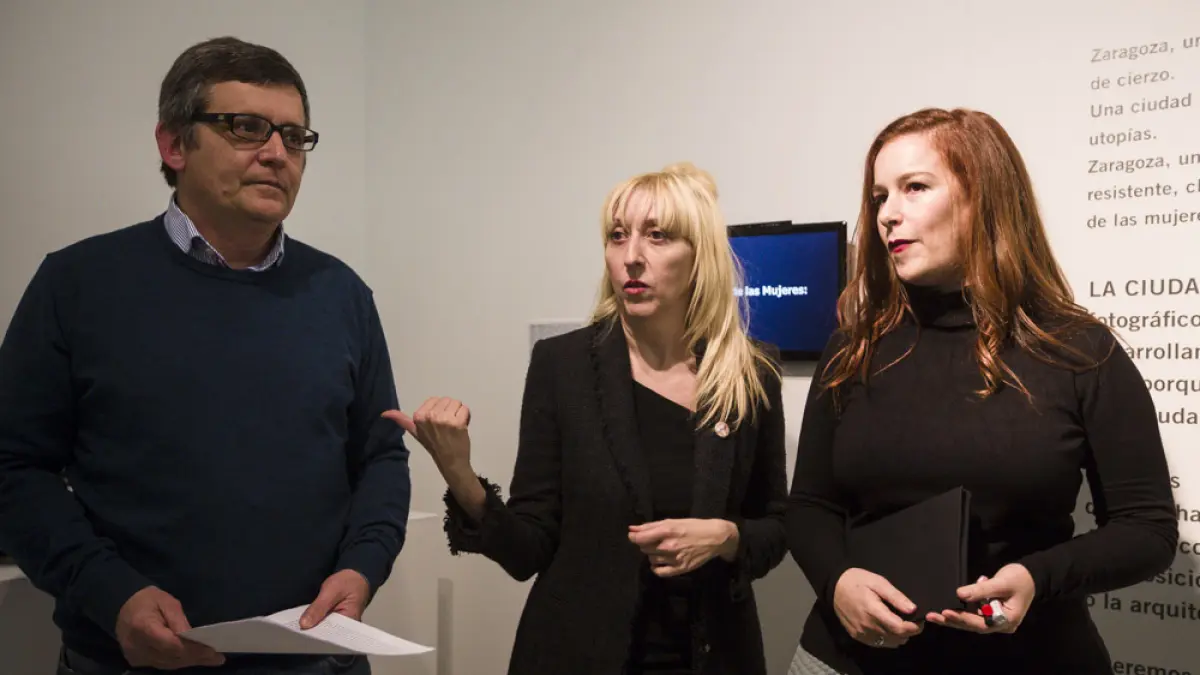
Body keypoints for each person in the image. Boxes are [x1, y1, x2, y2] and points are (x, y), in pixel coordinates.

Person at [0, 37, 411, 675]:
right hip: (129, 661)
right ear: (174, 145)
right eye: (245, 128)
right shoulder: (77, 284)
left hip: (315, 659)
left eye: (294, 136)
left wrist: (364, 566)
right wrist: (111, 592)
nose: (276, 153)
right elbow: (14, 467)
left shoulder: (342, 294)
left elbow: (381, 456)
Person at [785, 107, 1178, 674]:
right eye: (879, 196)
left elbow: (1147, 529)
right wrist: (837, 581)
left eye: (915, 187)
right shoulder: (854, 347)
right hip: (847, 660)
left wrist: (1036, 578)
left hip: (1029, 660)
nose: (888, 214)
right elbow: (810, 506)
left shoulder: (1079, 351)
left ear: (983, 198)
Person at [385, 163, 789, 674]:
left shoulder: (750, 374)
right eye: (617, 236)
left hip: (711, 656)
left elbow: (776, 526)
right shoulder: (563, 367)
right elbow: (528, 550)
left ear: (699, 255)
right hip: (578, 653)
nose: (631, 256)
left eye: (657, 236)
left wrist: (727, 538)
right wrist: (460, 476)